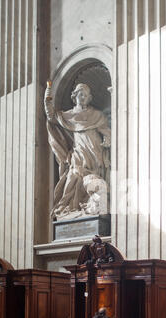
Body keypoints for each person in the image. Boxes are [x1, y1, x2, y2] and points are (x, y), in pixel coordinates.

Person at [44, 81, 111, 220]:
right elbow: (51, 116)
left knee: (93, 179)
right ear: (74, 96)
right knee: (73, 178)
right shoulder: (69, 115)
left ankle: (93, 206)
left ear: (89, 98)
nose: (83, 97)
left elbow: (106, 131)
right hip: (79, 152)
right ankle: (67, 207)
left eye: (86, 95)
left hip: (95, 151)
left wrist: (108, 139)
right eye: (81, 94)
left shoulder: (97, 115)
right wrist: (47, 98)